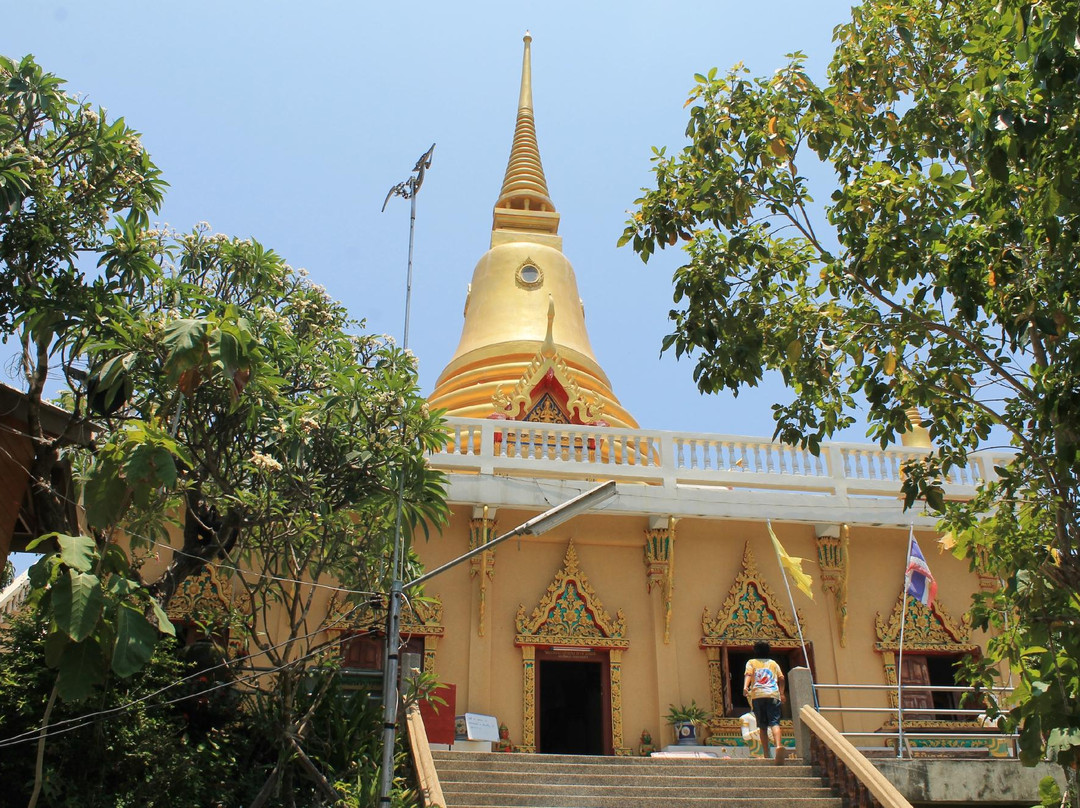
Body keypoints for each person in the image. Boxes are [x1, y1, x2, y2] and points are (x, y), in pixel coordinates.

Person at [743, 640, 788, 764]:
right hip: (773, 695)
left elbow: (748, 674)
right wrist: (782, 693)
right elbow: (781, 678)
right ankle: (778, 746)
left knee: (762, 726)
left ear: (755, 651)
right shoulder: (773, 664)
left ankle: (767, 753)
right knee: (774, 723)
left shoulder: (751, 662)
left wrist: (745, 687)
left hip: (757, 695)